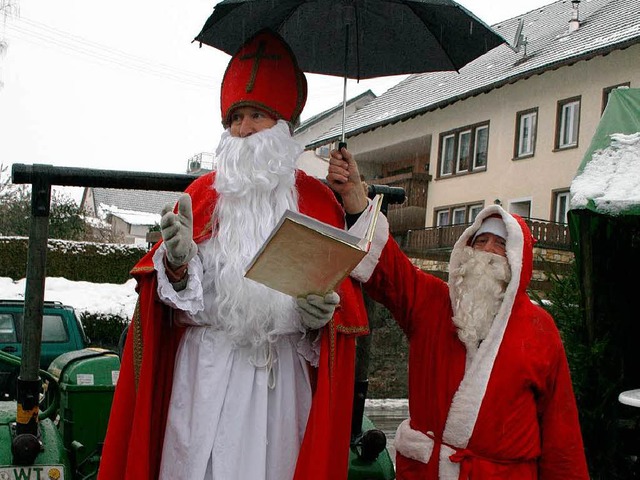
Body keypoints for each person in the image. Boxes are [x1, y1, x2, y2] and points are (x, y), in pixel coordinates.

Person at [98, 30, 369, 480]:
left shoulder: (319, 203)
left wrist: (317, 319)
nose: (243, 130)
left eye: (257, 116)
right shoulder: (201, 195)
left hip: (279, 386)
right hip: (205, 375)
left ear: (283, 127)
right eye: (235, 118)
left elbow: (339, 316)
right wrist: (179, 265)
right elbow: (169, 302)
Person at [327, 147, 589, 479]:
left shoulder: (540, 328)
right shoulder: (432, 302)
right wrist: (355, 198)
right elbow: (389, 269)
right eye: (481, 242)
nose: (488, 253)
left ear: (517, 262)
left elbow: (560, 431)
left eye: (500, 245)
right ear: (465, 250)